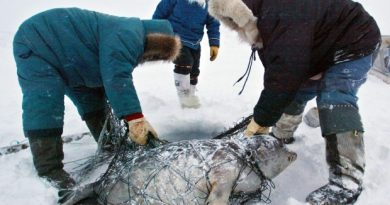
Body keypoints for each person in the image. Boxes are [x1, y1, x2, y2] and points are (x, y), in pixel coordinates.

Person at [203, 0, 381, 204]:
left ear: (243, 11)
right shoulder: (265, 19)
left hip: (355, 39)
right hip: (319, 46)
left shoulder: (281, 12)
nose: (238, 28)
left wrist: (262, 120)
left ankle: (346, 182)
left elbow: (284, 73)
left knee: (334, 96)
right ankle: (282, 137)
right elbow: (279, 72)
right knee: (295, 92)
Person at [13, 8, 181, 189]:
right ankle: (49, 170)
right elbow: (116, 77)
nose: (150, 59)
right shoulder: (129, 34)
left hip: (74, 62)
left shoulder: (128, 33)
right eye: (155, 55)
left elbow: (108, 78)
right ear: (157, 42)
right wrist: (134, 117)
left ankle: (111, 145)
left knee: (92, 101)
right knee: (45, 103)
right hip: (38, 43)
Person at [152, 0, 220, 108]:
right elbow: (160, 13)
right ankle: (185, 98)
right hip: (174, 38)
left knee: (194, 71)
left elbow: (213, 23)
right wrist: (155, 33)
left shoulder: (209, 3)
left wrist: (214, 43)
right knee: (184, 63)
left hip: (194, 42)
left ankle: (191, 96)